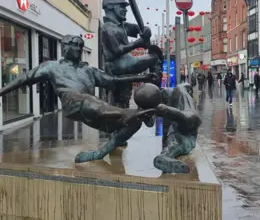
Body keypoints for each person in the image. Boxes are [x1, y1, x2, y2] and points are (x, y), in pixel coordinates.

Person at [0, 35, 159, 163]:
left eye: (80, 46)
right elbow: (24, 79)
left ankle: (101, 151)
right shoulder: (52, 66)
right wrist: (2, 91)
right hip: (73, 103)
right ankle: (127, 113)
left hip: (92, 109)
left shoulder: (88, 69)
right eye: (74, 45)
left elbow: (112, 80)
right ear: (64, 48)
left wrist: (142, 77)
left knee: (132, 123)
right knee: (88, 99)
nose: (77, 48)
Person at [100, 0, 162, 108]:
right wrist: (138, 43)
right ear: (110, 7)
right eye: (122, 6)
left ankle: (151, 92)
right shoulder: (107, 28)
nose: (125, 10)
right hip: (117, 66)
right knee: (154, 58)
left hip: (126, 62)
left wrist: (145, 30)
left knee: (155, 57)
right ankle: (151, 96)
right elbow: (117, 51)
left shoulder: (121, 25)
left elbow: (135, 28)